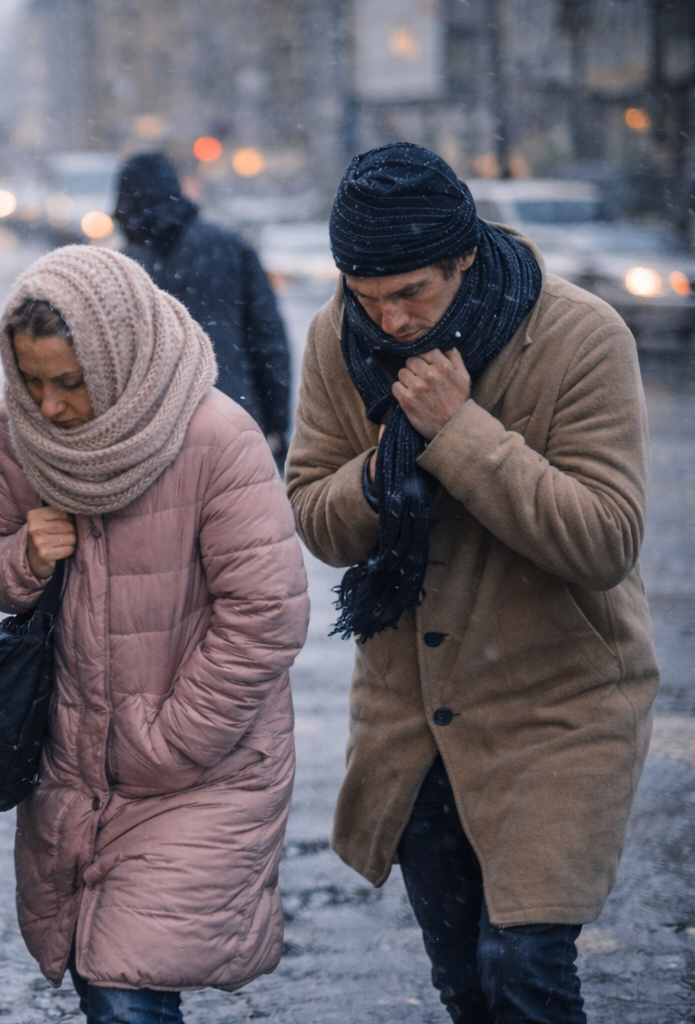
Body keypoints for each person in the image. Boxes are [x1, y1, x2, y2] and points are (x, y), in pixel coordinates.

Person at [286, 143, 657, 1023]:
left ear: (464, 254)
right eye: (369, 297)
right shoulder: (338, 340)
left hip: (557, 710)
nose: (392, 319)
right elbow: (313, 513)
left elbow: (605, 539)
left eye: (412, 292)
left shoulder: (579, 336)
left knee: (524, 974)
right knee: (465, 987)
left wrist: (458, 432)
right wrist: (381, 473)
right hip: (414, 722)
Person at [0, 245, 309, 1024]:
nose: (47, 406)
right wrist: (24, 555)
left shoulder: (216, 437)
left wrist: (170, 739)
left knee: (123, 988)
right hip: (71, 768)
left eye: (69, 384)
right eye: (31, 380)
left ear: (116, 359)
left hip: (205, 770)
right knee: (99, 974)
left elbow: (268, 611)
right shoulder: (18, 432)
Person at [113, 151, 292, 463]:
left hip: (151, 440)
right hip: (235, 421)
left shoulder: (122, 267)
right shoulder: (232, 247)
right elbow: (268, 341)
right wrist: (276, 422)